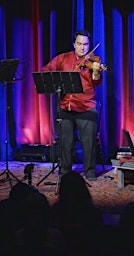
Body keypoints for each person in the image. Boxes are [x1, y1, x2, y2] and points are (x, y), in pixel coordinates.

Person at [41, 29, 104, 181]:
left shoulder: (94, 61)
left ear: (89, 46)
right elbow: (45, 70)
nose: (82, 48)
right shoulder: (63, 58)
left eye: (86, 44)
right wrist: (56, 79)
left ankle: (89, 173)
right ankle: (65, 173)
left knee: (88, 143)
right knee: (65, 143)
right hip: (66, 106)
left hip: (86, 107)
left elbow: (96, 81)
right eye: (79, 44)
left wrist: (96, 72)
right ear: (74, 44)